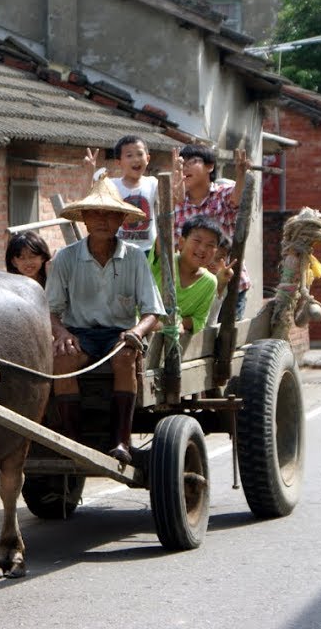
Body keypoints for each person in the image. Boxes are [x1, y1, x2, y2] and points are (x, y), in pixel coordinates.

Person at [47, 174, 165, 464]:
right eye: (96, 213)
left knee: (125, 357)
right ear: (85, 218)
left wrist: (136, 332)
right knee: (61, 360)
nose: (102, 220)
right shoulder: (66, 258)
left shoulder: (136, 258)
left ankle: (121, 441)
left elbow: (153, 312)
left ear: (121, 220)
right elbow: (50, 310)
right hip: (80, 335)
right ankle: (72, 442)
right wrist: (61, 334)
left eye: (110, 214)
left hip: (120, 334)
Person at [172, 143, 252, 320]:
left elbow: (236, 199)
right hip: (193, 287)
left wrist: (240, 174)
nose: (185, 168)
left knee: (223, 342)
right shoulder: (176, 202)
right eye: (181, 164)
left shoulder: (221, 195)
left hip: (229, 283)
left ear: (210, 166)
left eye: (191, 162)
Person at [86, 135, 160, 258]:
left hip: (148, 250)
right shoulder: (111, 185)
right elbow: (88, 202)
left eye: (139, 154)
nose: (136, 159)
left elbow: (174, 200)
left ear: (147, 158)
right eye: (129, 155)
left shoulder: (153, 183)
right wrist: (89, 172)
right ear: (118, 162)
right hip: (118, 250)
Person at [149, 215, 220, 334]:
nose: (202, 249)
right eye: (197, 241)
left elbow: (199, 320)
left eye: (210, 245)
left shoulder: (210, 282)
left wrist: (179, 323)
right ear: (182, 242)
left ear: (215, 252)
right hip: (140, 327)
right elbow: (161, 239)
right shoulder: (165, 261)